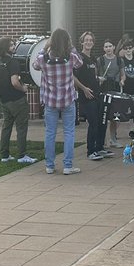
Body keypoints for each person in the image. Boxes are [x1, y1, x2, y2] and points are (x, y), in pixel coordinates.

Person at [32, 28, 83, 175]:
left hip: (50, 101)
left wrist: (45, 47)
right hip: (67, 100)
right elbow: (80, 63)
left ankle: (49, 165)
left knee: (50, 133)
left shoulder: (43, 58)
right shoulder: (71, 57)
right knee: (69, 133)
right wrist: (70, 46)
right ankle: (68, 166)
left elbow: (35, 65)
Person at [0, 37, 34, 164]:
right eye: (11, 45)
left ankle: (5, 155)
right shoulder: (13, 62)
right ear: (6, 48)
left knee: (6, 127)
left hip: (5, 100)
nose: (14, 47)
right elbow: (15, 82)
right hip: (17, 100)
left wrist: (3, 86)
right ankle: (22, 156)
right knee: (21, 128)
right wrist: (23, 88)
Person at [75, 31, 105, 161]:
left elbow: (92, 76)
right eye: (86, 40)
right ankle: (90, 151)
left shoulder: (93, 58)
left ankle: (99, 148)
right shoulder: (78, 58)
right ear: (82, 42)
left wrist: (98, 79)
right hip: (85, 96)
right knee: (92, 123)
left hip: (96, 93)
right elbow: (73, 76)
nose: (88, 42)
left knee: (99, 123)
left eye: (91, 40)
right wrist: (84, 88)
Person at [97, 38, 124, 145]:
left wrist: (122, 80)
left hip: (115, 88)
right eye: (106, 46)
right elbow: (95, 74)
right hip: (104, 89)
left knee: (115, 116)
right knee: (103, 115)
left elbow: (123, 74)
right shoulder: (100, 60)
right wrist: (99, 79)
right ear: (104, 48)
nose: (108, 48)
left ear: (113, 47)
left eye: (110, 46)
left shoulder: (119, 60)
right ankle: (101, 141)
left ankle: (113, 139)